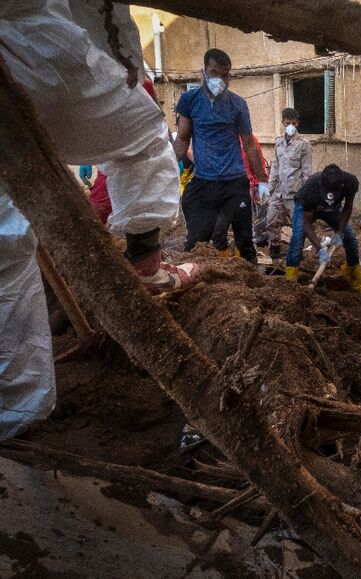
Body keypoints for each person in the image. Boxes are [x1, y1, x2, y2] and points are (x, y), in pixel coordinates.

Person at [0, 0, 199, 439]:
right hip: (38, 57)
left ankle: (13, 406)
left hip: (25, 56)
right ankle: (146, 262)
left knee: (5, 241)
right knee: (148, 138)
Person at [173, 48, 269, 265]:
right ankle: (199, 285)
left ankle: (252, 285)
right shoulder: (189, 101)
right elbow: (182, 139)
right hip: (205, 182)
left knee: (245, 241)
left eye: (225, 75)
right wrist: (167, 167)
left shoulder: (238, 104)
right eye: (214, 73)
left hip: (235, 183)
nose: (220, 79)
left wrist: (262, 181)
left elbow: (249, 145)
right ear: (204, 71)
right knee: (197, 243)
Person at [285, 165, 361, 295]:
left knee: (350, 238)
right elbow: (306, 223)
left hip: (333, 210)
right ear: (321, 184)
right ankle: (290, 285)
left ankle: (356, 282)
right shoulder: (310, 189)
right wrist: (320, 248)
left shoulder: (350, 182)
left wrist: (340, 233)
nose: (329, 198)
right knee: (297, 241)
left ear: (341, 185)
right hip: (308, 209)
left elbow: (348, 208)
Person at [264, 108, 313, 261]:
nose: (290, 126)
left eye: (293, 123)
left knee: (298, 226)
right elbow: (275, 167)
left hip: (295, 193)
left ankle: (297, 253)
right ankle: (275, 247)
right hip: (279, 191)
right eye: (287, 123)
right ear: (282, 122)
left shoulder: (304, 145)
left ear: (297, 123)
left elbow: (307, 172)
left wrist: (307, 195)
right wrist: (269, 189)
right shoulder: (278, 142)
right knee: (271, 220)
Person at [211, 133, 268, 258]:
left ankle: (242, 264)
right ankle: (222, 264)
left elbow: (257, 161)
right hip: (222, 192)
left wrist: (259, 183)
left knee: (243, 234)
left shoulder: (249, 139)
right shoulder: (218, 137)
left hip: (244, 191)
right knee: (218, 231)